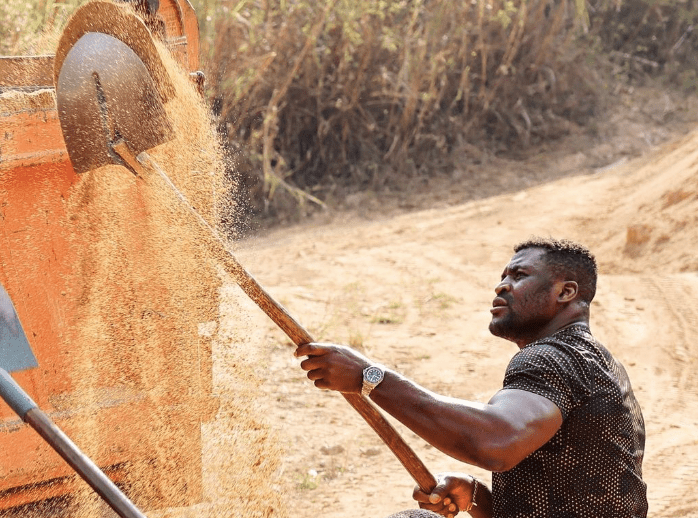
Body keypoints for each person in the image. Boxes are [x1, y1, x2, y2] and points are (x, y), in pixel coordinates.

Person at [295, 237, 647, 518]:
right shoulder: (600, 364)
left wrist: (369, 378)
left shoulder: (552, 358)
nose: (501, 287)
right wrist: (476, 496)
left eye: (519, 276)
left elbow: (497, 443)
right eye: (503, 276)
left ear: (565, 293)